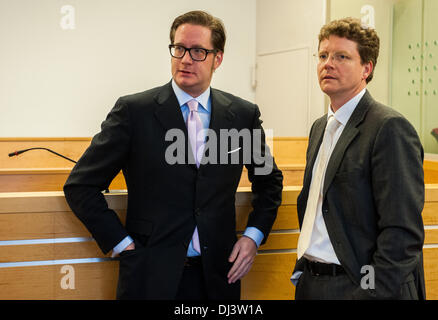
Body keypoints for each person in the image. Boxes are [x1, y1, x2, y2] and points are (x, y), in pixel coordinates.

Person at [63, 10, 283, 300]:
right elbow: (80, 185)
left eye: (198, 51)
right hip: (149, 274)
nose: (186, 59)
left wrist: (254, 237)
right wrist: (121, 243)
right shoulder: (134, 111)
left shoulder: (242, 115)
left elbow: (269, 182)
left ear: (218, 58)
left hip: (218, 276)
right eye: (179, 49)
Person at [292, 17, 425, 299]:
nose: (328, 63)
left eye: (342, 56)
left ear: (367, 68)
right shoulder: (320, 127)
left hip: (357, 287)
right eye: (323, 55)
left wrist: (369, 292)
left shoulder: (388, 127)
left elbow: (402, 233)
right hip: (313, 284)